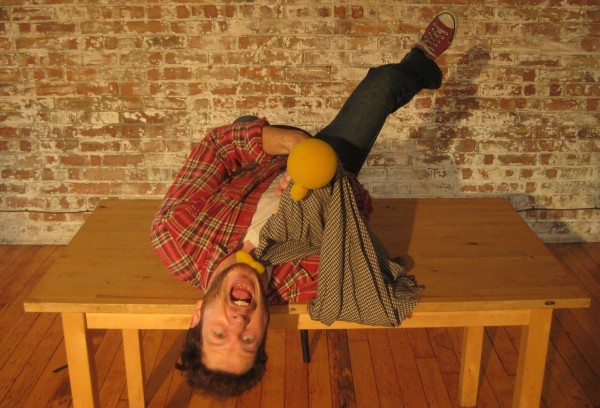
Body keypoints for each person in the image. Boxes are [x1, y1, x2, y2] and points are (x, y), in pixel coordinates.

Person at [151, 11, 457, 398]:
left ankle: (266, 128)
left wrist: (289, 143)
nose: (238, 321)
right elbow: (357, 208)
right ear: (264, 330)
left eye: (219, 334)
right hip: (324, 162)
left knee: (244, 123)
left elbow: (217, 148)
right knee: (382, 85)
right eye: (247, 340)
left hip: (262, 160)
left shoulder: (175, 235)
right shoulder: (310, 278)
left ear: (196, 316)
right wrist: (319, 186)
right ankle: (422, 63)